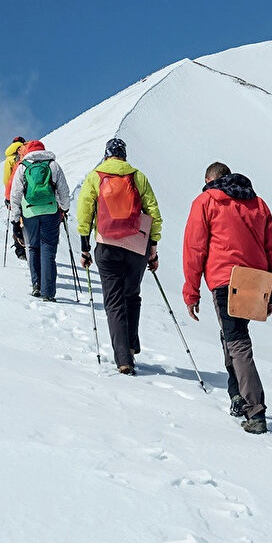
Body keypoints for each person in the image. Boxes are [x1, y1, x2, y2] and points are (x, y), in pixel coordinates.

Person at [182, 162, 272, 434]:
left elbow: (194, 249)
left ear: (208, 179)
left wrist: (191, 292)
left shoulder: (206, 201)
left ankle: (255, 410)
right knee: (232, 335)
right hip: (254, 280)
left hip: (225, 280)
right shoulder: (258, 203)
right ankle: (237, 395)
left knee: (237, 342)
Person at [76, 138, 162, 375]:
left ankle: (124, 358)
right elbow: (153, 212)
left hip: (107, 246)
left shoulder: (96, 176)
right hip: (137, 247)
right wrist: (152, 246)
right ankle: (132, 344)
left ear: (106, 156)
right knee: (132, 295)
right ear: (124, 155)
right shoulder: (137, 176)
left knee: (114, 301)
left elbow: (84, 212)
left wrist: (84, 247)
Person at [9, 140, 70, 301]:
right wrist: (64, 208)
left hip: (29, 213)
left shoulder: (23, 166)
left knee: (33, 248)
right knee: (48, 250)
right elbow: (63, 191)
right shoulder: (53, 165)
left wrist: (15, 220)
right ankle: (48, 293)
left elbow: (15, 195)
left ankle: (36, 285)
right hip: (51, 211)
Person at [3, 136, 27, 260]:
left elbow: (7, 179)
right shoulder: (26, 154)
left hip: (14, 192)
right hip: (27, 193)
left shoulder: (9, 159)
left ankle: (20, 249)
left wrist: (8, 197)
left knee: (16, 219)